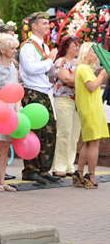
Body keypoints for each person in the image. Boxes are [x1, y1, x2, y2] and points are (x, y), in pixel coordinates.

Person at [18, 11, 59, 184]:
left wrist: (55, 66)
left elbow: (46, 71)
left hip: (43, 91)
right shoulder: (28, 46)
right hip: (33, 92)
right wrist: (50, 61)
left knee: (49, 132)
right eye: (43, 23)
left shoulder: (44, 46)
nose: (47, 26)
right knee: (35, 132)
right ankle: (31, 169)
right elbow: (30, 69)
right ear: (33, 26)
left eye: (47, 23)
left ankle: (43, 169)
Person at [74, 42, 109, 189]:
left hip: (89, 108)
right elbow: (92, 87)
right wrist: (101, 76)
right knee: (94, 143)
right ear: (85, 54)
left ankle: (80, 173)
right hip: (91, 109)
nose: (96, 56)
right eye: (93, 53)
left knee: (88, 142)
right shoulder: (83, 69)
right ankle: (91, 175)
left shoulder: (81, 69)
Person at [0, 34, 19, 192]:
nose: (15, 50)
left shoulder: (13, 67)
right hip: (0, 111)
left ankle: (2, 179)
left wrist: (16, 107)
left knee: (6, 145)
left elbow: (16, 90)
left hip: (12, 113)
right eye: (12, 48)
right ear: (2, 49)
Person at [50, 36, 82, 178]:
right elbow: (66, 79)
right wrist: (82, 81)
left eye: (78, 45)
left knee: (74, 135)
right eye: (75, 46)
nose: (77, 48)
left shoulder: (79, 63)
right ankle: (59, 166)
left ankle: (70, 165)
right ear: (67, 47)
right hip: (64, 99)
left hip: (78, 101)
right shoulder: (60, 61)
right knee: (64, 133)